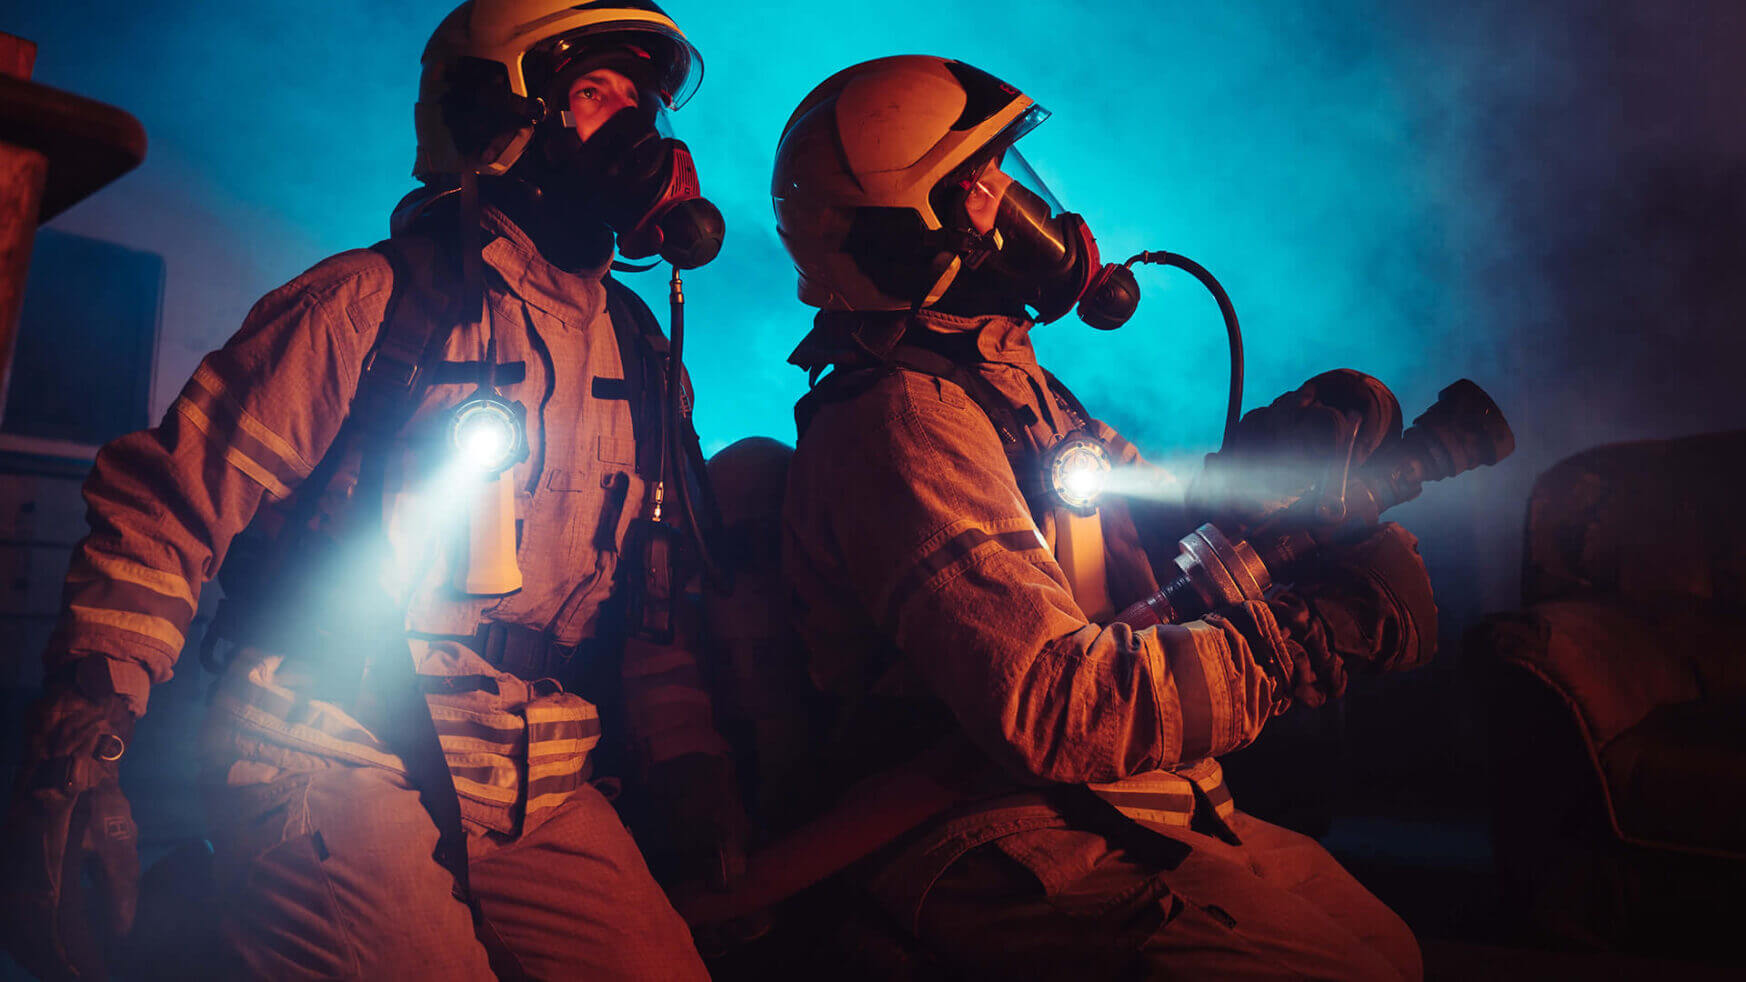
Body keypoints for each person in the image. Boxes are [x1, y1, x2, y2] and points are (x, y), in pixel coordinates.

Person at [1, 1, 742, 978]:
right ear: (499, 111)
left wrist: (686, 758)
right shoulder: (371, 304)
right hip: (327, 743)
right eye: (598, 94)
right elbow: (167, 506)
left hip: (542, 779)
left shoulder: (641, 353)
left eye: (643, 104)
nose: (637, 128)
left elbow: (652, 601)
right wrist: (84, 733)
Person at [769, 55, 1437, 979]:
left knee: (1390, 951)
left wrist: (1269, 481)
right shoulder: (903, 425)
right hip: (980, 823)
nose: (1023, 205)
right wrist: (1302, 642)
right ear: (913, 232)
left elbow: (1144, 547)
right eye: (984, 184)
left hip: (1112, 796)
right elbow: (1052, 705)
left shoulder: (1007, 382)